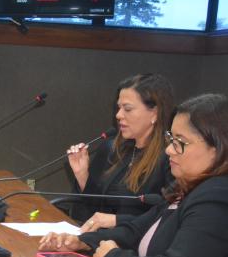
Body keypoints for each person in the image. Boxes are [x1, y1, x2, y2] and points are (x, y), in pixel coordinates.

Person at [41, 93, 228, 257]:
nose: (169, 150)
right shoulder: (189, 189)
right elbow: (135, 230)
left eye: (180, 142)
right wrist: (81, 242)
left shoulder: (216, 196)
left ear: (218, 148)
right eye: (171, 139)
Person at [65, 73, 174, 229]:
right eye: (119, 108)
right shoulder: (114, 149)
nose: (118, 115)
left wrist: (117, 221)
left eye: (127, 109)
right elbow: (96, 212)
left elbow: (167, 219)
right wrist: (82, 175)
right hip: (99, 239)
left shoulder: (171, 158)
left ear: (154, 113)